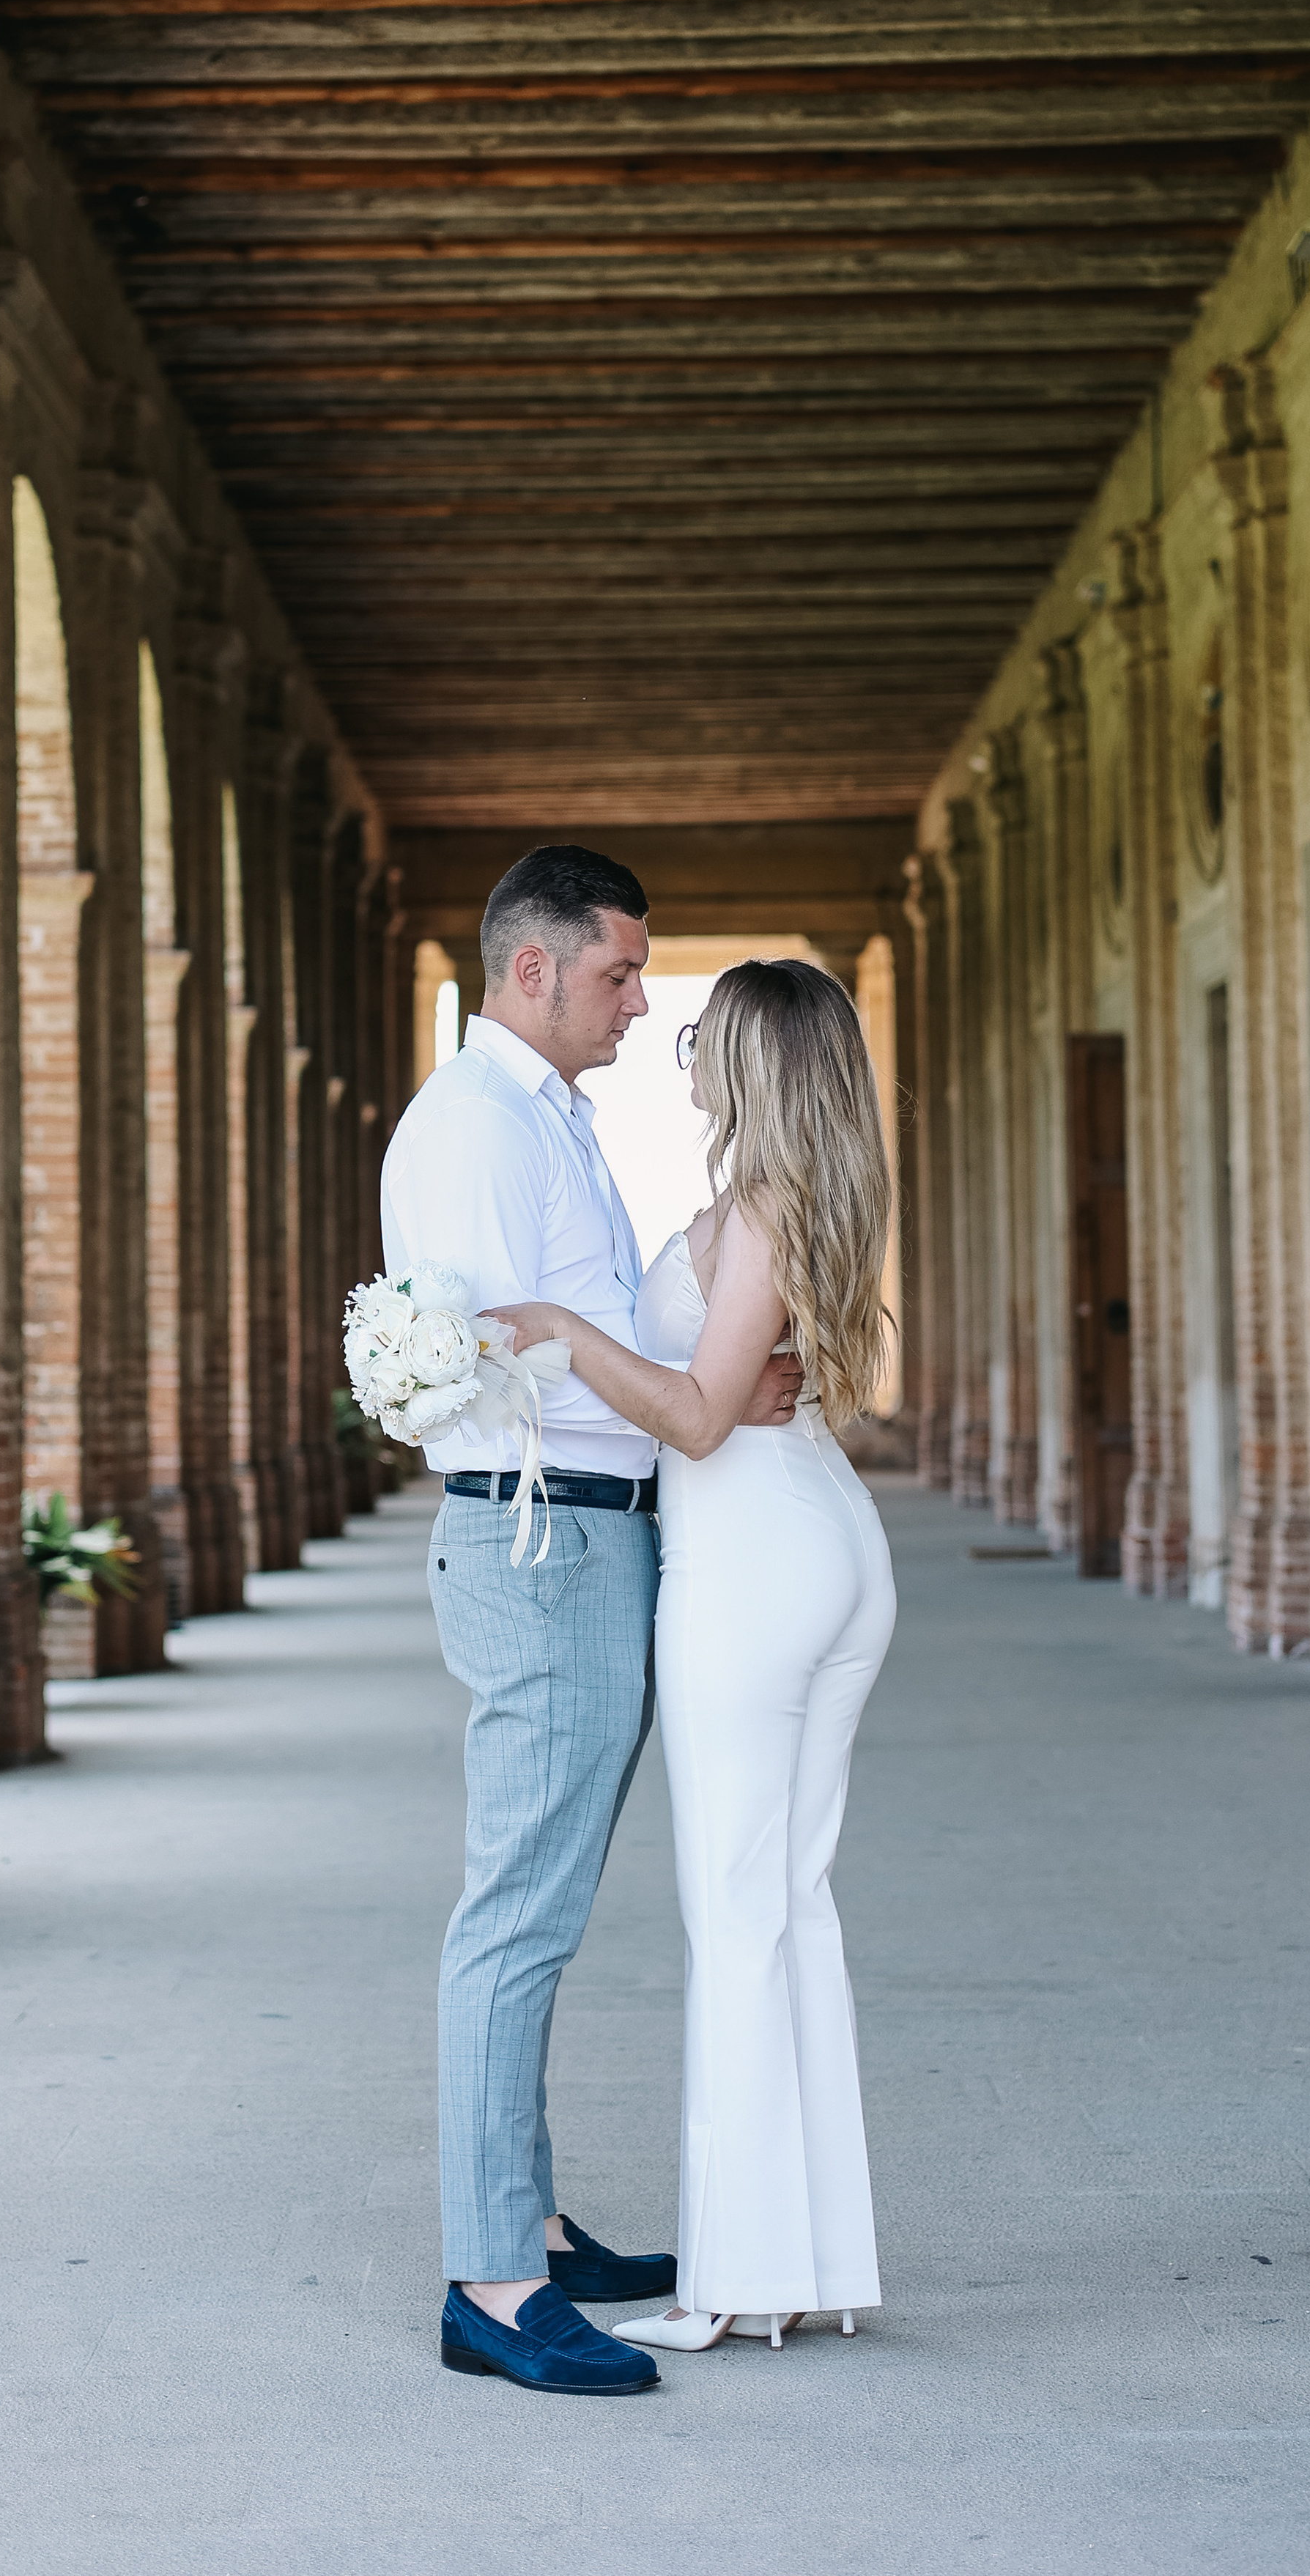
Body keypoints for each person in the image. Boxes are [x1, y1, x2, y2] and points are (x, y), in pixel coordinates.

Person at [380, 845, 804, 2398]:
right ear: (533, 968)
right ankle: (490, 2287)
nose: (642, 999)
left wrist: (709, 1380)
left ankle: (531, 2227)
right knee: (518, 1914)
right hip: (542, 1542)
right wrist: (684, 1400)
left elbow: (584, 1338)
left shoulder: (539, 1118)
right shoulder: (471, 1128)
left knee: (539, 1906)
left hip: (587, 1535)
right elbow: (489, 1363)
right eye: (623, 971)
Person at [486, 955, 896, 2356]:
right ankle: (805, 2261)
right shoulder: (801, 1201)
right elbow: (741, 1389)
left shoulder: (767, 1211)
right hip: (817, 1537)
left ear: (759, 1064)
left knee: (740, 1916)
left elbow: (701, 1416)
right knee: (790, 1905)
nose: (685, 1051)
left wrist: (561, 1332)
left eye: (707, 1038)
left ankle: (733, 2284)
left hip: (753, 1564)